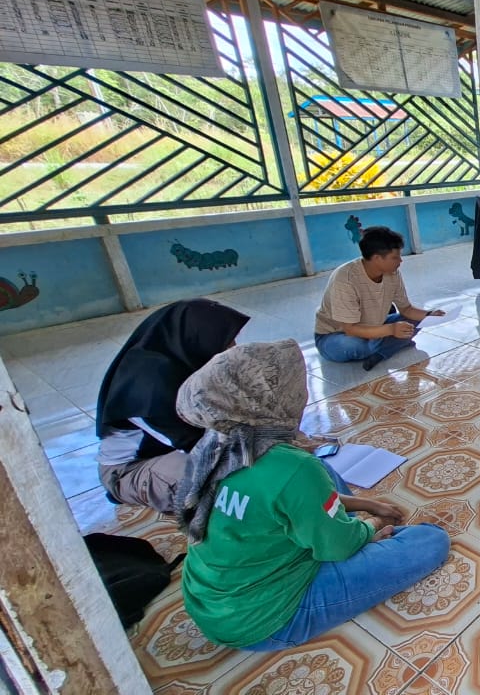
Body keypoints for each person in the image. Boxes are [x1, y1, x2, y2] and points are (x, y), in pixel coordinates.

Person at [177, 339, 450, 650]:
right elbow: (339, 546)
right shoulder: (292, 467)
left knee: (320, 471)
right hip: (266, 616)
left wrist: (368, 504)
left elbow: (279, 498)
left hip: (212, 602)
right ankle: (351, 534)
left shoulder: (214, 445)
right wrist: (371, 525)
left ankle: (337, 529)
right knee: (430, 540)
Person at [95, 299, 250, 514]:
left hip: (175, 449)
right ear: (196, 337)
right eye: (226, 341)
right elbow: (198, 444)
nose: (232, 348)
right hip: (130, 468)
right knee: (225, 480)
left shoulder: (181, 362)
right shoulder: (149, 386)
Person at [314, 226, 445, 371]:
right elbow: (350, 329)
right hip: (336, 335)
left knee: (419, 321)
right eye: (395, 257)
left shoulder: (392, 273)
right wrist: (391, 329)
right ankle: (387, 347)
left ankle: (380, 350)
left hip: (376, 326)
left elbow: (406, 309)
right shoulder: (345, 278)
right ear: (377, 258)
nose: (400, 261)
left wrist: (430, 314)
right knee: (353, 346)